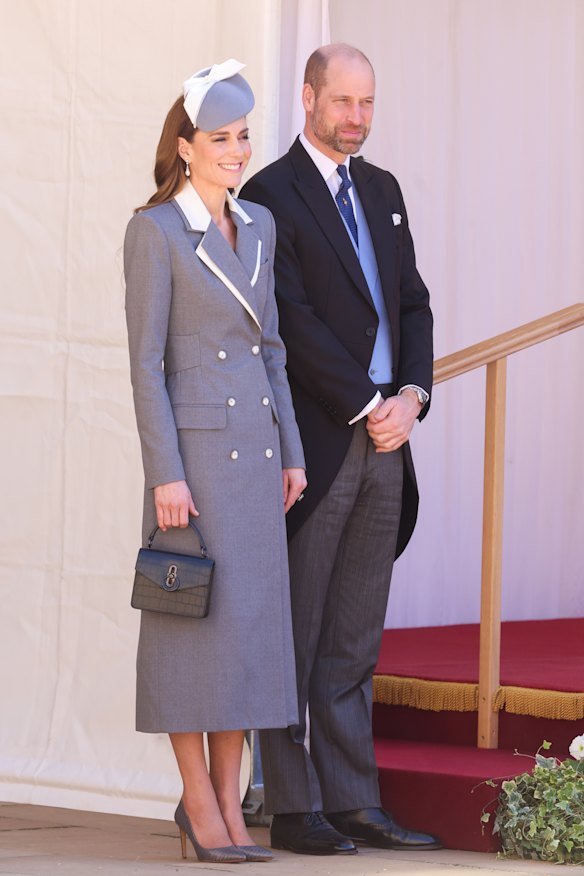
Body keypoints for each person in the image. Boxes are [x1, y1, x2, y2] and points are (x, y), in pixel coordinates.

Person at [240, 44, 440, 855]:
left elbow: (412, 305)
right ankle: (293, 807)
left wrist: (412, 398)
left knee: (355, 635)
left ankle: (355, 801)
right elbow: (288, 317)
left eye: (367, 103)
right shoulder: (268, 193)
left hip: (389, 438)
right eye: (342, 101)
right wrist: (366, 402)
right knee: (296, 630)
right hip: (319, 442)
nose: (356, 117)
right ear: (309, 98)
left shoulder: (383, 190)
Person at [124, 60, 306, 865]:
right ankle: (198, 802)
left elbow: (273, 349)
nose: (237, 151)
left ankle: (231, 807)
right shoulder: (156, 231)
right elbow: (146, 365)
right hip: (194, 469)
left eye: (243, 137)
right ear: (185, 146)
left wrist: (292, 452)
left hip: (256, 462)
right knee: (190, 634)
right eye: (221, 139)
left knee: (245, 638)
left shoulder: (259, 224)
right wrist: (164, 472)